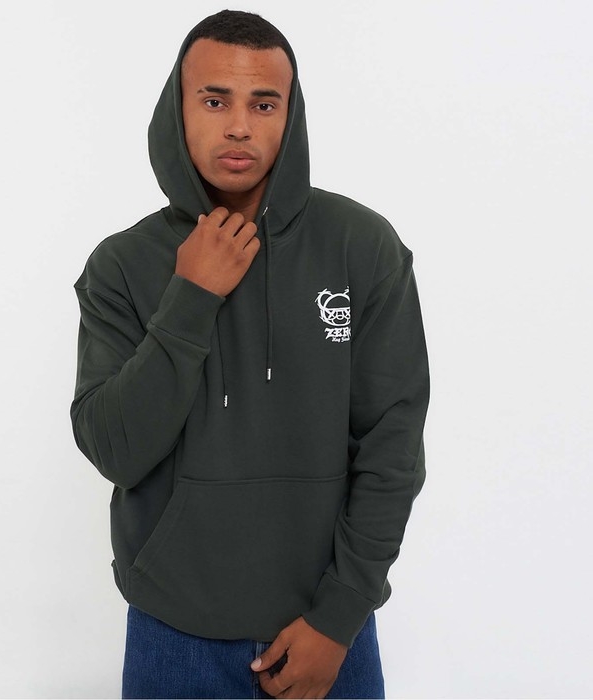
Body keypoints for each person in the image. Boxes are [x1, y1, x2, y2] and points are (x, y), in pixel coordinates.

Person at [70, 9, 429, 699]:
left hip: (330, 630)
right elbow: (115, 450)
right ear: (177, 110)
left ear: (290, 116)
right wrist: (190, 297)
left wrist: (339, 617)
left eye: (264, 104)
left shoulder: (361, 247)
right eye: (215, 101)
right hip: (173, 634)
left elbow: (393, 447)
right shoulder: (123, 265)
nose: (240, 126)